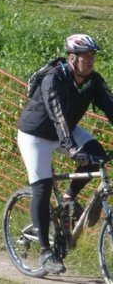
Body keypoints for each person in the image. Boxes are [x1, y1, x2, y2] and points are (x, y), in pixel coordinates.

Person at [17, 33, 113, 275]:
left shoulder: (92, 81)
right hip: (36, 136)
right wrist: (70, 148)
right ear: (72, 58)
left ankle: (69, 198)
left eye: (93, 55)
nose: (90, 60)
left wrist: (75, 146)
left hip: (65, 131)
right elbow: (57, 114)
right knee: (42, 188)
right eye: (85, 55)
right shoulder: (54, 78)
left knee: (96, 153)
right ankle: (46, 252)